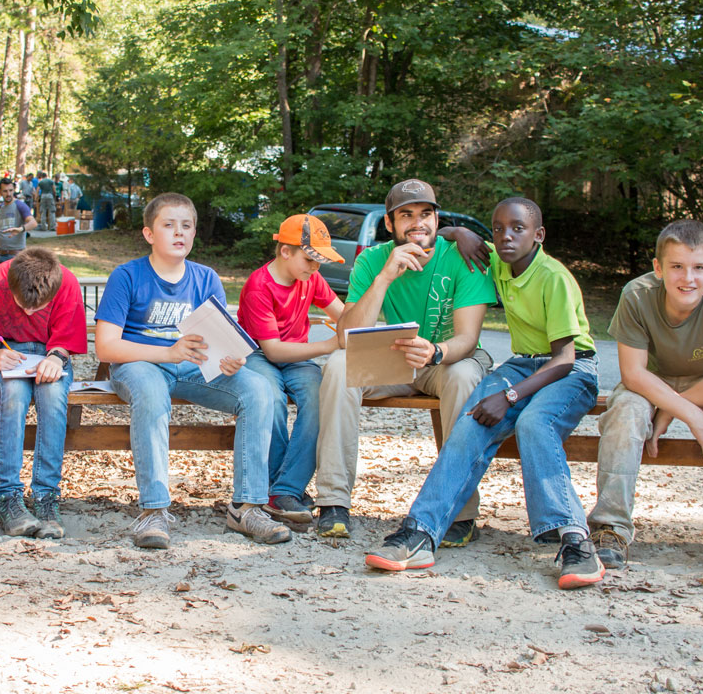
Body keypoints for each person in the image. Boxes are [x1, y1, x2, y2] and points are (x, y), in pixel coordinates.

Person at [365, 197, 605, 589]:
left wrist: (509, 397)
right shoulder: (497, 257)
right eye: (497, 229)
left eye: (517, 228)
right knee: (473, 416)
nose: (506, 236)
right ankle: (421, 531)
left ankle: (575, 541)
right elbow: (435, 235)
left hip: (571, 368)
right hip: (524, 362)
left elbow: (563, 358)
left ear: (538, 235)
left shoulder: (553, 277)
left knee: (534, 422)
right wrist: (458, 231)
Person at [94, 193, 290, 549]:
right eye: (168, 225)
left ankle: (247, 507)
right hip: (140, 364)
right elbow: (106, 346)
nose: (178, 232)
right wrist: (167, 352)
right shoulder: (127, 276)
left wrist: (231, 358)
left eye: (186, 226)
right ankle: (153, 512)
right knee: (152, 395)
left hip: (192, 365)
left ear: (195, 233)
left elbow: (220, 340)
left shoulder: (205, 278)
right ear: (149, 234)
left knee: (258, 389)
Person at [587, 220, 703, 579]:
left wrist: (672, 412)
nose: (688, 277)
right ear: (658, 268)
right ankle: (610, 530)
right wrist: (689, 412)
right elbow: (633, 375)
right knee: (624, 410)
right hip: (650, 382)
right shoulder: (637, 295)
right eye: (676, 266)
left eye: (700, 268)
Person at [315, 179, 497, 541]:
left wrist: (436, 351)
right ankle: (333, 502)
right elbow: (345, 336)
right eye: (407, 215)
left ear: (436, 217)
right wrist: (384, 277)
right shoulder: (372, 259)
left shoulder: (461, 255)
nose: (418, 223)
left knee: (462, 376)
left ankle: (458, 509)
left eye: (426, 214)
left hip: (446, 360)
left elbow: (467, 338)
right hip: (397, 359)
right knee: (338, 365)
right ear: (389, 223)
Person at [0, 248, 86, 539]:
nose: (28, 312)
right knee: (13, 396)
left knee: (52, 400)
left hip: (50, 354)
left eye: (37, 308)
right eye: (21, 304)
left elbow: (66, 341)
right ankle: (8, 496)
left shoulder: (67, 282)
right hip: (6, 354)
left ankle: (46, 497)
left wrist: (55, 359)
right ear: (11, 285)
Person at [237, 214, 344, 524]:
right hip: (258, 354)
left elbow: (343, 315)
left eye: (320, 262)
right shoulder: (260, 285)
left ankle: (287, 488)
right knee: (268, 397)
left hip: (297, 358)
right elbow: (272, 349)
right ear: (286, 252)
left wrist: (355, 324)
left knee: (319, 397)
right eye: (310, 259)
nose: (315, 267)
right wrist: (329, 345)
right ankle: (279, 490)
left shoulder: (310, 278)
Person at [0, 177, 37, 266]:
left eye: (11, 190)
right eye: (5, 191)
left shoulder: (20, 206)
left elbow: (33, 223)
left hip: (15, 255)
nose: (8, 194)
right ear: (0, 192)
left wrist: (21, 229)